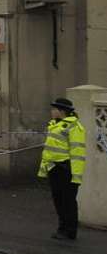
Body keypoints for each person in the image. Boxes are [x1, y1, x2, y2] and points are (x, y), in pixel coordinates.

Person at [37, 98, 86, 240]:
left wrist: (76, 176)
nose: (51, 112)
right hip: (54, 168)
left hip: (66, 169)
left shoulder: (74, 127)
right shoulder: (54, 125)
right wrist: (44, 169)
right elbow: (49, 151)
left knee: (68, 201)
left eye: (54, 109)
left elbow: (77, 153)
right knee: (58, 200)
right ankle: (62, 228)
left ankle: (70, 231)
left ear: (62, 111)